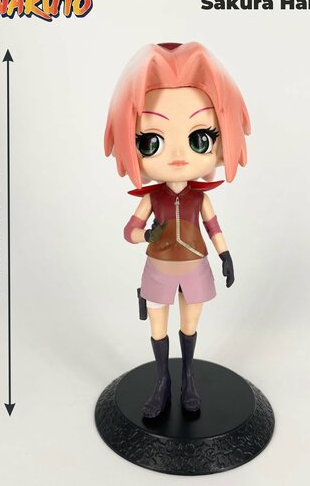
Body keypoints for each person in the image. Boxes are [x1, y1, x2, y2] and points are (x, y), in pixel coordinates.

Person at [104, 42, 250, 418]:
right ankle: (161, 383)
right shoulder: (152, 198)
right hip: (158, 268)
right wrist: (146, 236)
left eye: (200, 138)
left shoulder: (201, 197)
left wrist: (225, 255)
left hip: (195, 265)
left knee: (189, 324)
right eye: (151, 142)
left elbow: (213, 226)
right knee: (158, 327)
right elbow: (130, 230)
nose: (178, 155)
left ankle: (187, 379)